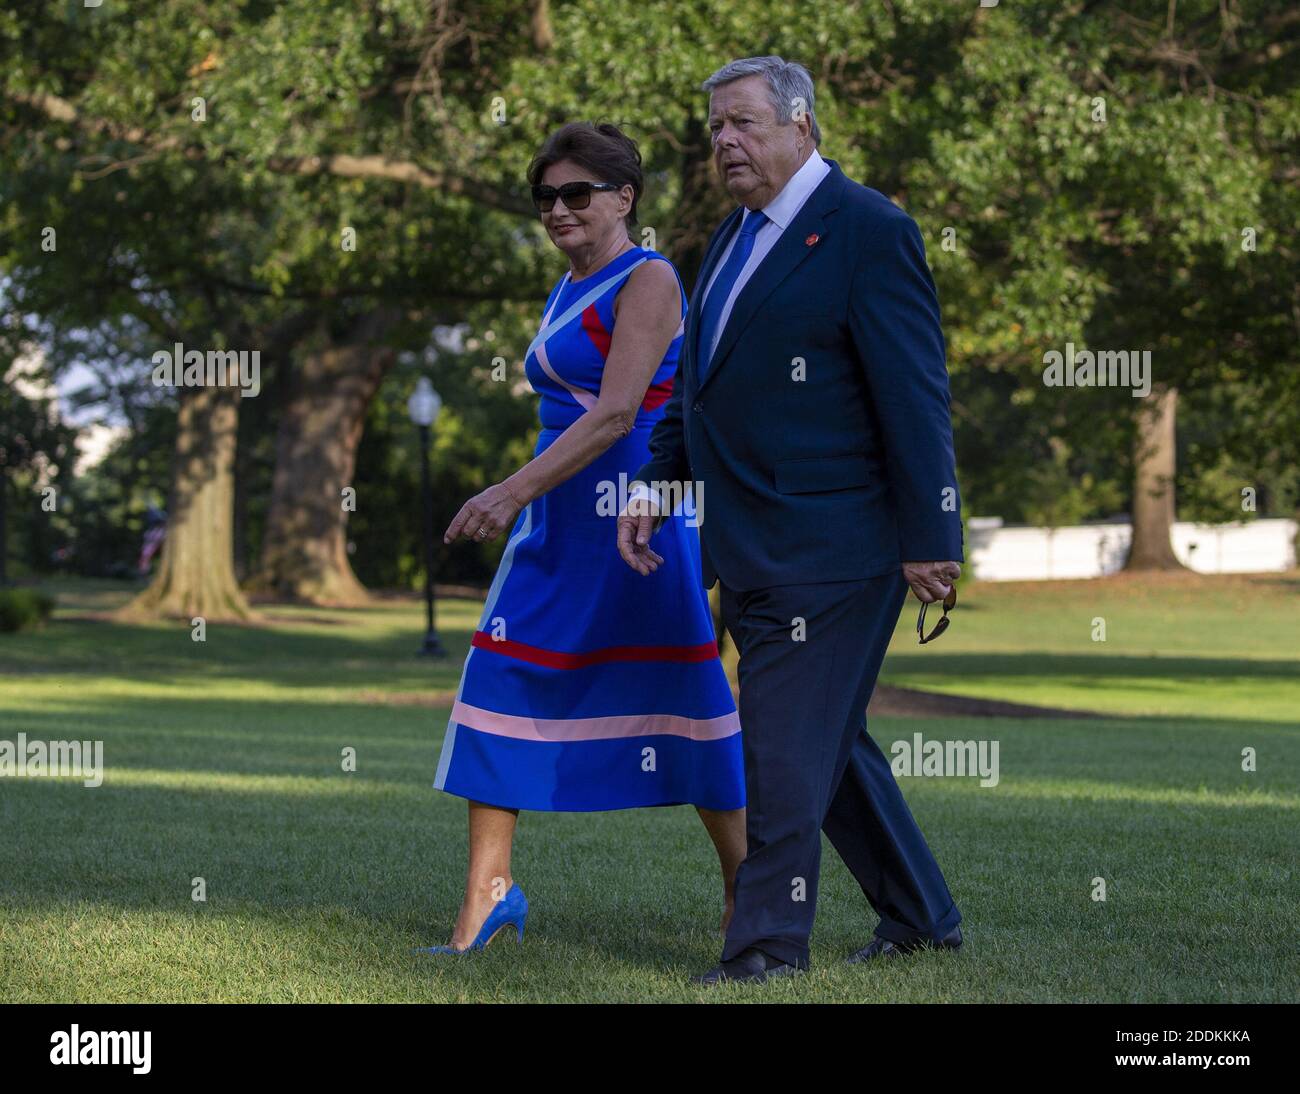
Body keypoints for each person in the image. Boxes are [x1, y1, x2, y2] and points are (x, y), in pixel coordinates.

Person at [618, 56, 966, 985]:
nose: (724, 143)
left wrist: (935, 536)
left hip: (838, 547)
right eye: (714, 130)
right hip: (752, 542)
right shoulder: (728, 240)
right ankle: (922, 916)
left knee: (777, 742)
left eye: (742, 124)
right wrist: (656, 480)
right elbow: (703, 388)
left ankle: (768, 946)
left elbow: (915, 395)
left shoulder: (869, 230)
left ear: (800, 125)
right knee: (828, 742)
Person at [418, 122, 746, 955]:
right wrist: (527, 498)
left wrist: (507, 490)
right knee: (497, 673)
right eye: (546, 198)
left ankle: (750, 895)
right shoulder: (567, 286)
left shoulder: (652, 277)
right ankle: (486, 901)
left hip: (639, 513)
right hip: (556, 521)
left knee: (687, 698)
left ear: (624, 197)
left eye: (577, 194)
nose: (558, 210)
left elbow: (616, 414)